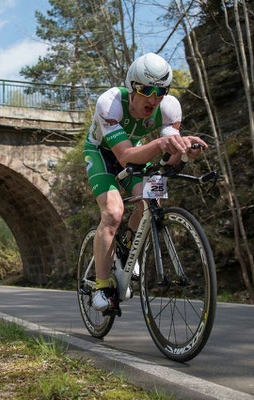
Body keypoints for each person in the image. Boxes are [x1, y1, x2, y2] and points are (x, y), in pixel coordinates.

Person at [83, 53, 208, 311]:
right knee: (114, 213)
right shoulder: (110, 103)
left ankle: (127, 245)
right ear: (132, 86)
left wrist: (184, 150)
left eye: (160, 91)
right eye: (146, 89)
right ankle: (102, 285)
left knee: (153, 198)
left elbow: (169, 158)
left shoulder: (170, 108)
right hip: (102, 154)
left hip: (138, 151)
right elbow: (125, 156)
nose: (153, 98)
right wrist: (162, 144)